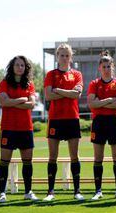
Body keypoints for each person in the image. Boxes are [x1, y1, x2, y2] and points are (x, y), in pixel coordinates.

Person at [43, 43, 84, 201]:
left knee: (74, 156)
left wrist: (58, 90)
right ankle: (50, 192)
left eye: (67, 55)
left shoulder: (77, 74)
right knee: (53, 156)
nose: (65, 58)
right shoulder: (51, 74)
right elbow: (48, 96)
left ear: (71, 57)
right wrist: (68, 93)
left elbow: (76, 95)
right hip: (55, 119)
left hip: (72, 119)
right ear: (57, 56)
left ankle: (77, 191)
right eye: (62, 55)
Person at [0, 56, 39, 202]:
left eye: (22, 65)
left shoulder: (29, 84)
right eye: (17, 65)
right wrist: (21, 100)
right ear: (12, 66)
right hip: (8, 128)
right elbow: (3, 101)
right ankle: (2, 193)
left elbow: (31, 105)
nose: (20, 67)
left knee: (27, 161)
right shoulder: (4, 83)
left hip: (25, 128)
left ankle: (28, 192)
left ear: (25, 67)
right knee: (4, 161)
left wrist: (11, 102)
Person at [87, 51, 116, 200]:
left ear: (113, 67)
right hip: (98, 123)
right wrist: (110, 100)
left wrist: (100, 102)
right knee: (98, 157)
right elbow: (91, 104)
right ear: (99, 68)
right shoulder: (94, 84)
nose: (106, 69)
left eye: (109, 66)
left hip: (115, 122)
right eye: (103, 66)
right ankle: (98, 191)